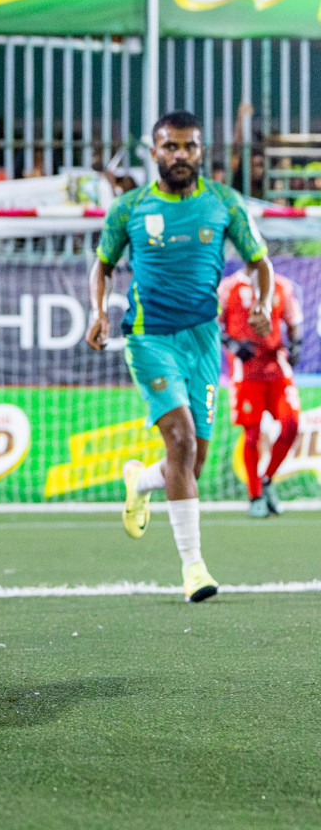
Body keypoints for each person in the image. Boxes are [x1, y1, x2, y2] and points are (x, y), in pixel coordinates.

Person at [88, 110, 272, 603]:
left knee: (193, 460)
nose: (180, 155)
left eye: (189, 147)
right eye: (170, 147)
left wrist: (262, 303)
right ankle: (194, 569)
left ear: (200, 151)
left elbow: (260, 263)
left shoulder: (222, 202)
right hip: (149, 338)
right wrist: (98, 312)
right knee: (182, 440)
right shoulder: (129, 209)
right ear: (155, 153)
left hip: (203, 340)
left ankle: (140, 479)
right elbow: (101, 267)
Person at [219, 266, 302, 517]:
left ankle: (267, 479)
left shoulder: (281, 285)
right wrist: (232, 343)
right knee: (252, 434)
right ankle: (255, 495)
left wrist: (296, 344)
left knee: (291, 424)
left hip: (276, 366)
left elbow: (294, 320)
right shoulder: (228, 287)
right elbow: (212, 322)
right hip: (246, 370)